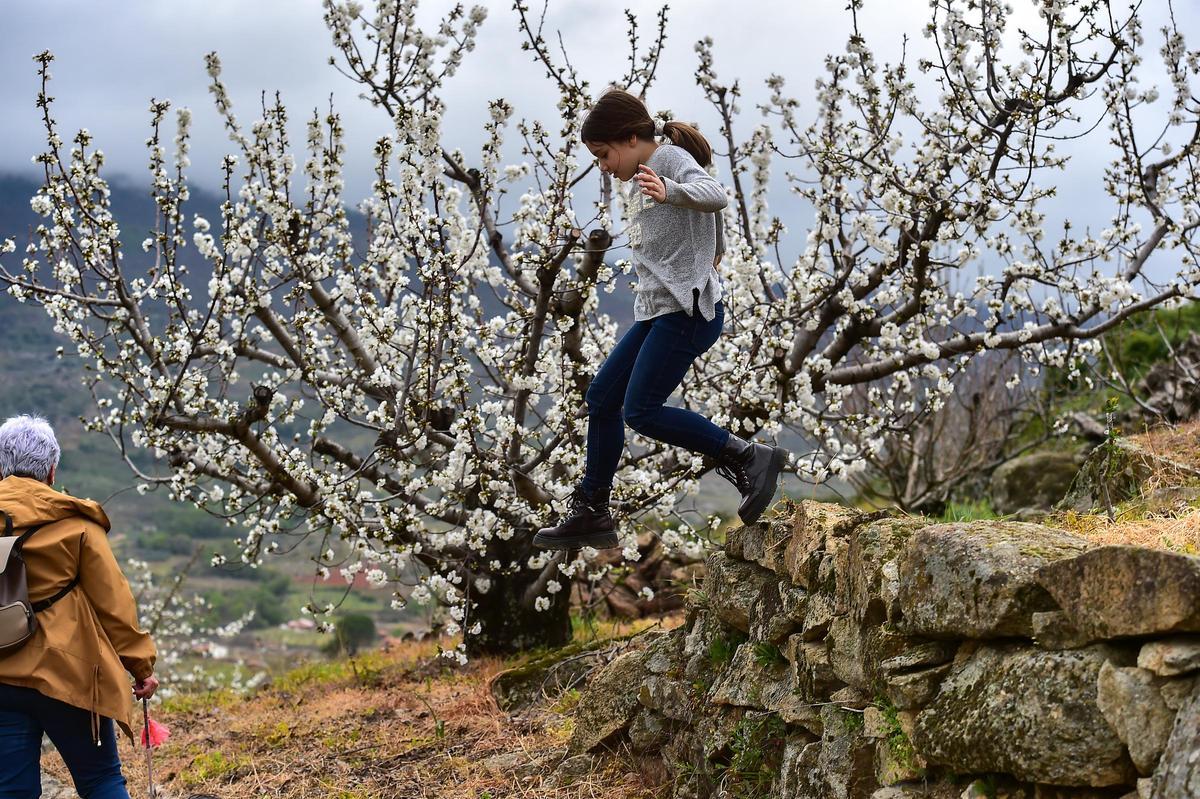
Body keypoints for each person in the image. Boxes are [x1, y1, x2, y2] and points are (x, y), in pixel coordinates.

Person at [535, 88, 789, 551]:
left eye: (604, 154)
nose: (603, 166)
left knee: (641, 410)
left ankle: (750, 457)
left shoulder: (669, 162)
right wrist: (708, 252)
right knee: (602, 397)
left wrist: (672, 192)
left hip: (687, 312)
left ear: (631, 138)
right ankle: (592, 510)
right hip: (657, 312)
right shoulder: (640, 180)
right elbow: (706, 234)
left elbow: (714, 195)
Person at [0, 415, 158, 799]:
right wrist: (140, 666)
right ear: (52, 470)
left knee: (11, 791)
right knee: (100, 781)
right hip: (70, 673)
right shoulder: (76, 525)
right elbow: (113, 604)